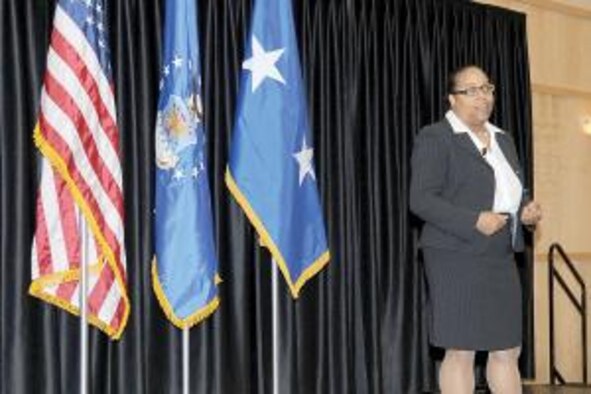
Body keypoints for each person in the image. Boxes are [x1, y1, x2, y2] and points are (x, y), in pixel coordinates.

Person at [409, 65, 542, 394]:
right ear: (452, 99)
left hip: (499, 254)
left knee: (508, 348)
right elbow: (421, 199)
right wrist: (474, 220)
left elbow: (510, 191)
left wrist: (525, 210)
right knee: (461, 349)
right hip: (455, 253)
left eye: (487, 88)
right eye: (472, 90)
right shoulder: (436, 137)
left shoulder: (503, 139)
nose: (482, 96)